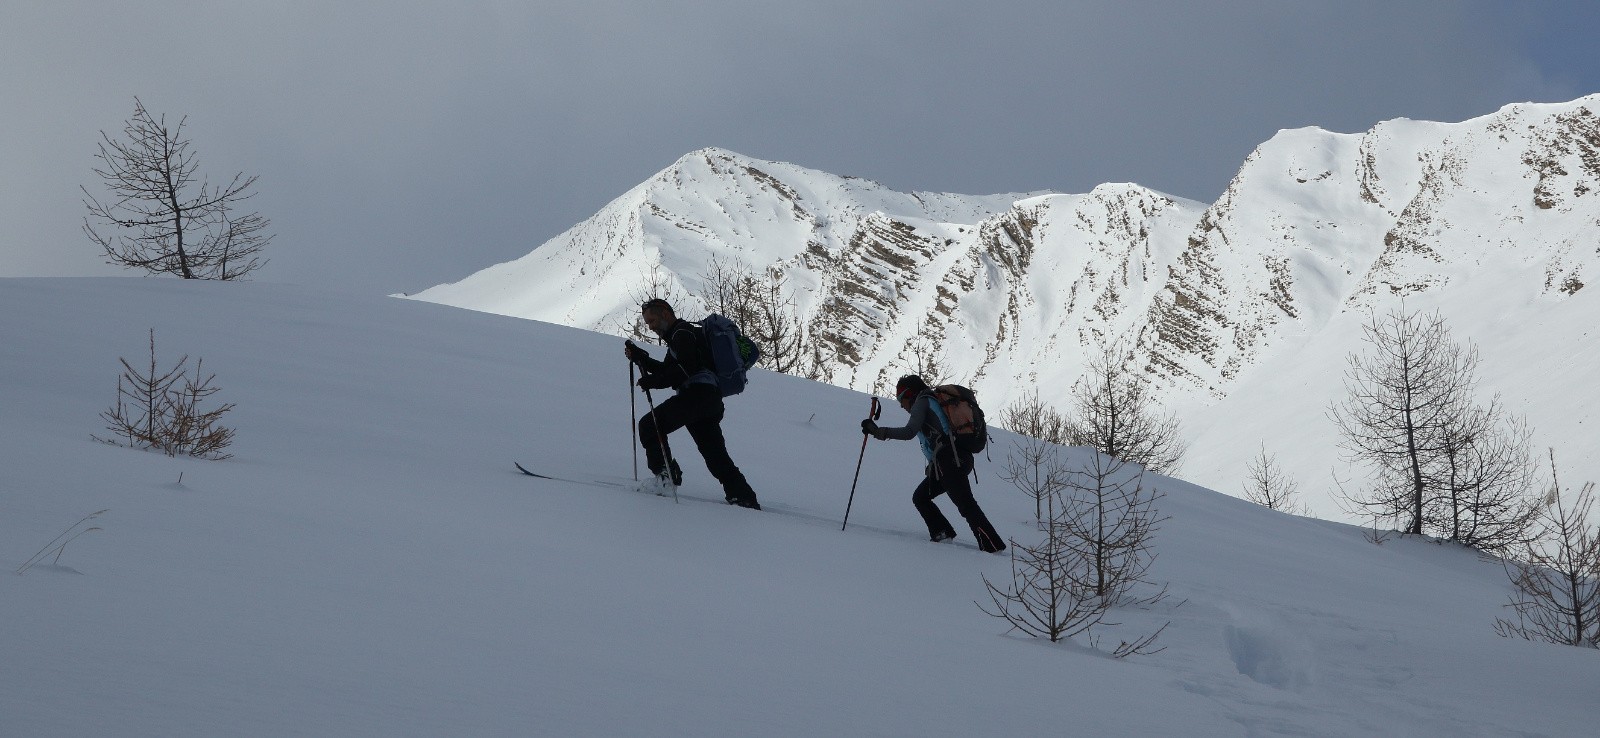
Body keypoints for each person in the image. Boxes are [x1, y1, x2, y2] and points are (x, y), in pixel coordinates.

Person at [624, 298, 761, 509]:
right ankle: (743, 496)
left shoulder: (682, 333)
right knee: (714, 453)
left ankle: (666, 478)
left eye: (652, 320)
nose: (651, 327)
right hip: (709, 400)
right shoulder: (680, 336)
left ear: (665, 314)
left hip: (697, 396)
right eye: (648, 323)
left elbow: (686, 370)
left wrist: (653, 382)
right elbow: (669, 370)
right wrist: (642, 359)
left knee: (650, 425)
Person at [862, 375, 1005, 552]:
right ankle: (942, 533)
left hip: (949, 461)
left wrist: (878, 431)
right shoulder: (931, 401)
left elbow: (909, 432)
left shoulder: (922, 401)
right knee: (921, 497)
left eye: (901, 399)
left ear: (909, 394)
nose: (901, 405)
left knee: (966, 505)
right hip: (954, 460)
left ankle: (992, 546)